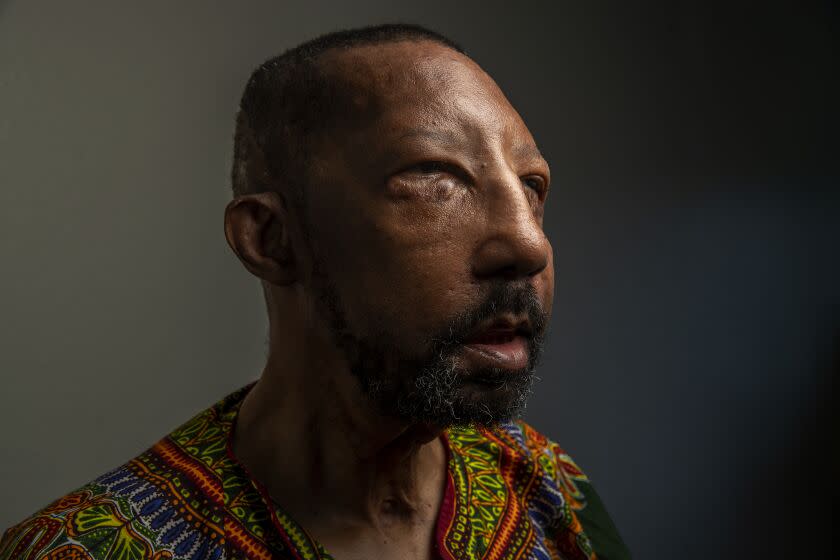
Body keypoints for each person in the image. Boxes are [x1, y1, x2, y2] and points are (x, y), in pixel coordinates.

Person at [0, 24, 630, 560]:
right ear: (271, 239)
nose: (529, 246)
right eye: (435, 179)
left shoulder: (549, 489)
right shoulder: (85, 547)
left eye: (532, 188)